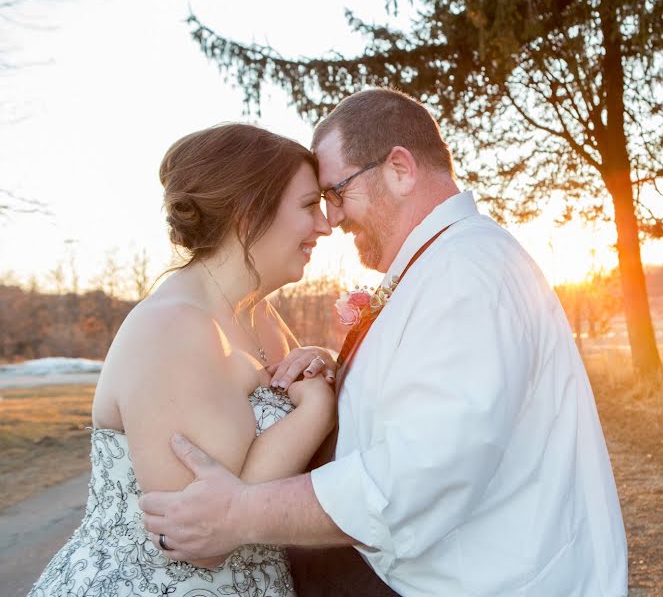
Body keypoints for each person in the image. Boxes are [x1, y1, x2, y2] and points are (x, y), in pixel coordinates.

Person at [140, 89, 629, 596]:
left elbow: (423, 472)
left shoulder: (466, 273)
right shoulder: (440, 264)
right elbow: (419, 401)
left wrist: (239, 513)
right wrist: (335, 370)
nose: (331, 219)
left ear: (399, 169)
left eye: (336, 191)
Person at [28, 123, 339, 597]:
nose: (325, 224)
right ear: (247, 211)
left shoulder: (260, 314)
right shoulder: (172, 328)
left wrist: (321, 361)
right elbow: (198, 537)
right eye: (308, 205)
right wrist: (317, 410)